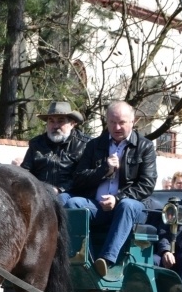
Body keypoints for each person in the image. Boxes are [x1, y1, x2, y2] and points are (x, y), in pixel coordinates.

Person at [63, 100, 157, 276]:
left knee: (126, 205)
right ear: (107, 122)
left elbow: (147, 184)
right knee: (74, 203)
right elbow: (78, 179)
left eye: (122, 122)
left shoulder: (144, 147)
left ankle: (106, 259)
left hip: (131, 207)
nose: (117, 127)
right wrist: (103, 170)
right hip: (97, 206)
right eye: (113, 122)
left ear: (133, 121)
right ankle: (84, 259)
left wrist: (118, 198)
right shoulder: (94, 145)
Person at [20, 100, 89, 203]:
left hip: (72, 195)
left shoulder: (84, 144)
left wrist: (59, 190)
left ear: (72, 123)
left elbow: (83, 177)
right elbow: (26, 171)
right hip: (39, 193)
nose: (55, 126)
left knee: (59, 200)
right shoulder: (36, 144)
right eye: (51, 121)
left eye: (60, 121)